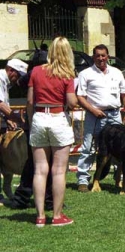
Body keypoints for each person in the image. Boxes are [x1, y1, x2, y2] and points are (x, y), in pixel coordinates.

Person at [27, 36, 77, 227]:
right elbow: (71, 102)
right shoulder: (67, 74)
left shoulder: (36, 71)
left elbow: (30, 101)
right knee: (58, 171)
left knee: (40, 169)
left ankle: (40, 215)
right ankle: (57, 216)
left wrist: (32, 122)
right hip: (57, 117)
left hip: (39, 116)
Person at [76, 44, 125, 192]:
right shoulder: (85, 74)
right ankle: (83, 180)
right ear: (93, 57)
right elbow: (80, 97)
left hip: (115, 114)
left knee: (120, 148)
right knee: (88, 148)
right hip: (95, 116)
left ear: (108, 56)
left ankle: (117, 179)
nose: (101, 58)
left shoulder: (117, 73)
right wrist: (93, 110)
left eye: (103, 55)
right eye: (98, 55)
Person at [0, 58, 29, 206]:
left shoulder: (5, 82)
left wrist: (8, 119)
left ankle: (5, 191)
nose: (17, 80)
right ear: (11, 70)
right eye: (17, 75)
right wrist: (15, 117)